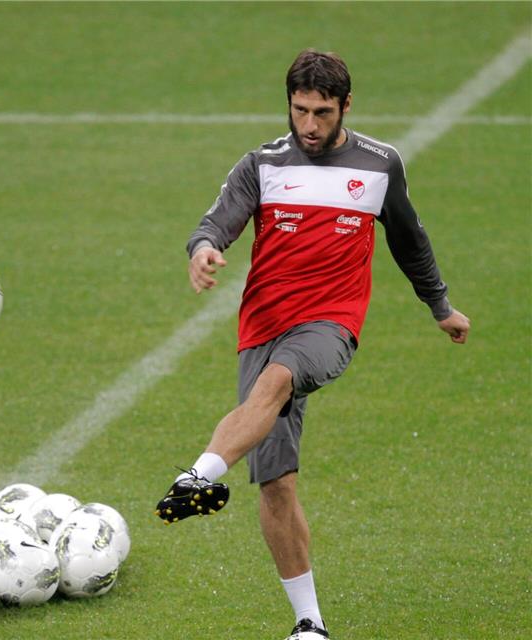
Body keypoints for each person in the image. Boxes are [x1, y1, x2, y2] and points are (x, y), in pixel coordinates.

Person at [155, 49, 470, 640]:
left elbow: (411, 241)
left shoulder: (380, 165)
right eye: (300, 110)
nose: (309, 125)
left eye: (322, 112)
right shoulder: (263, 163)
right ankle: (309, 624)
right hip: (263, 325)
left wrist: (441, 307)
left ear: (346, 105)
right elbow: (217, 220)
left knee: (279, 379)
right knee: (276, 486)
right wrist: (203, 250)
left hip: (331, 324)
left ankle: (198, 475)